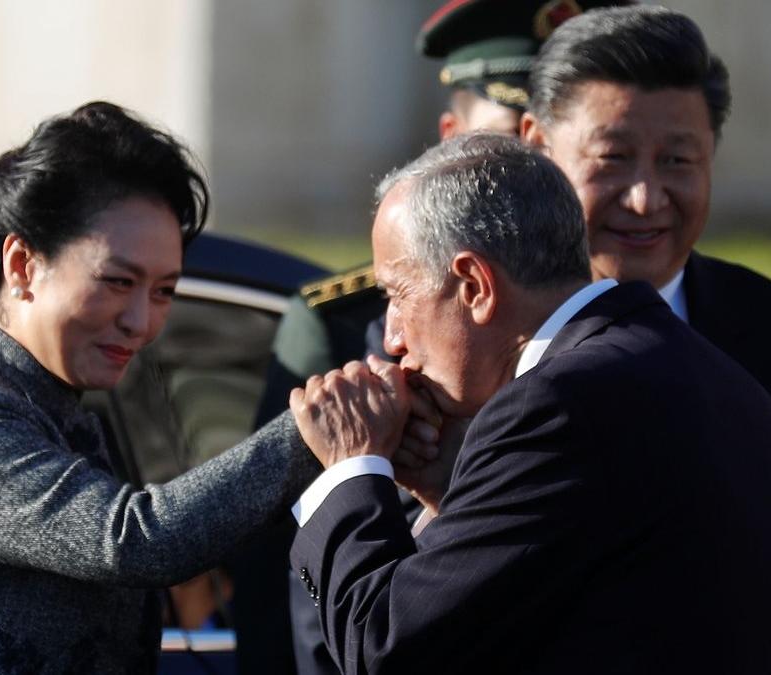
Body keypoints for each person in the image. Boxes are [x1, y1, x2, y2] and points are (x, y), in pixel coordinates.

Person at [289, 133, 771, 674]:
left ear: (474, 286)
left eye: (398, 295)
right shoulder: (689, 365)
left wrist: (350, 466)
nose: (392, 339)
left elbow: (386, 650)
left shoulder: (560, 405)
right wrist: (453, 492)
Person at [0, 101, 321, 674]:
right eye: (117, 282)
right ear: (23, 264)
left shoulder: (52, 403)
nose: (141, 322)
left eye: (163, 292)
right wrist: (315, 430)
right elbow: (134, 540)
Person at [244, 2, 626, 671]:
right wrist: (440, 489)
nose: (532, 177)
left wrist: (355, 469)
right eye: (510, 146)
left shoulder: (566, 392)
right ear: (450, 139)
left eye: (551, 150)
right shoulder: (358, 328)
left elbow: (395, 642)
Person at [519, 5, 771, 550]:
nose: (645, 199)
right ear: (537, 147)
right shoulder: (456, 338)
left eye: (677, 161)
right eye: (613, 157)